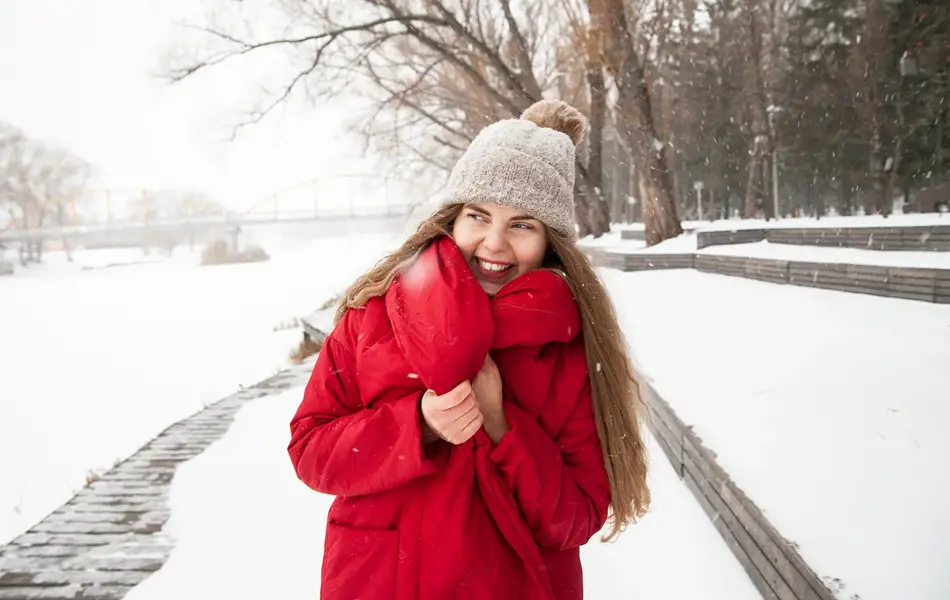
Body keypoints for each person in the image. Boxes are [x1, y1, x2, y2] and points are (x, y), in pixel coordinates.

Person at [288, 99, 650, 600]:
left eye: (522, 225)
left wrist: (502, 424)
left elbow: (575, 519)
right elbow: (310, 450)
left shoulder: (570, 352)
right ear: (452, 219)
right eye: (478, 216)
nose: (494, 243)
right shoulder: (372, 317)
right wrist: (417, 424)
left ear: (551, 243)